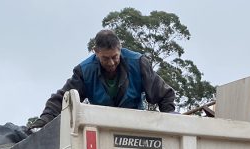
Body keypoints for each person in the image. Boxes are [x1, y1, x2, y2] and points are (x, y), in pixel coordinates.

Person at [30, 29, 175, 129]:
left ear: (120, 49)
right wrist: (44, 121)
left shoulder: (138, 63)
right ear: (96, 52)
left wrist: (172, 125)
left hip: (136, 129)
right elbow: (62, 100)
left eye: (115, 57)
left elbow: (165, 95)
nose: (111, 63)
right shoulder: (84, 71)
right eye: (105, 58)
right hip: (101, 131)